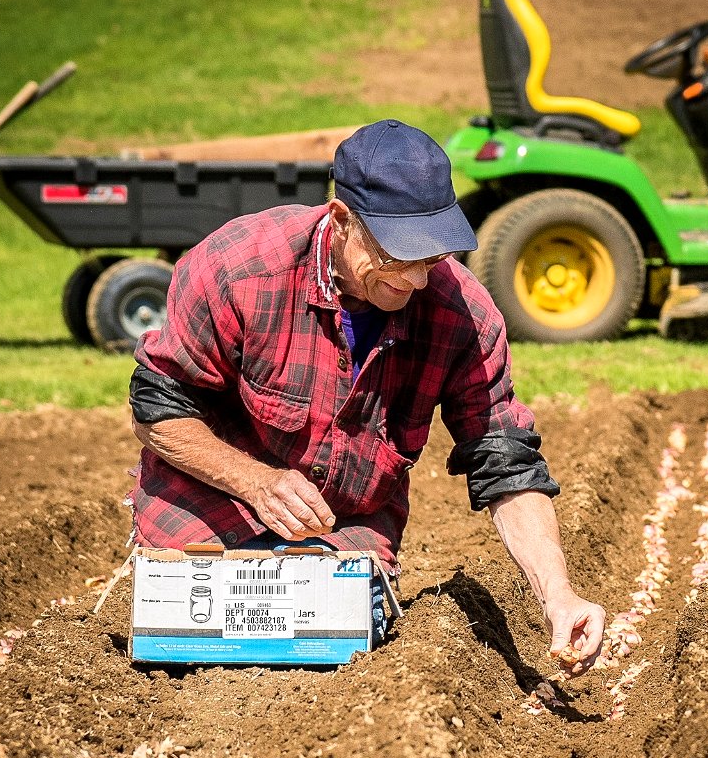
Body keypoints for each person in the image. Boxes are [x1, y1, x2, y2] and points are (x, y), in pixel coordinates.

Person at [128, 119, 604, 671]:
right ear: (341, 221)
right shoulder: (237, 269)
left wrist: (558, 597)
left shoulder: (463, 316)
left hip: (340, 521)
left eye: (433, 256)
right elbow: (158, 407)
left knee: (331, 650)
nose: (419, 280)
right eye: (400, 255)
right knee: (189, 640)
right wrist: (255, 482)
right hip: (208, 501)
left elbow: (505, 462)